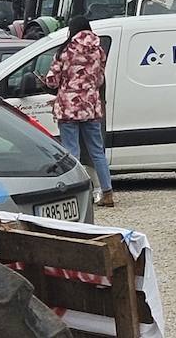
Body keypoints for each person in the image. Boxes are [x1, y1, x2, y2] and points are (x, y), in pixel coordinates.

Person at [43, 15, 114, 207]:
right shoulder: (99, 50)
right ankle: (107, 192)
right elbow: (99, 80)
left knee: (71, 152)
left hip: (69, 107)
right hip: (91, 107)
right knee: (97, 152)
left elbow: (52, 80)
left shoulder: (66, 51)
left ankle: (77, 193)